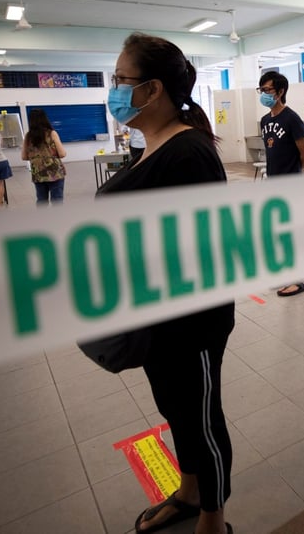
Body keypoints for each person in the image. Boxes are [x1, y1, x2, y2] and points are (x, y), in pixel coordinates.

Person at [97, 33, 234, 534]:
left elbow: (205, 247)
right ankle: (190, 491)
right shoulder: (152, 144)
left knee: (201, 417)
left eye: (120, 80)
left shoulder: (190, 152)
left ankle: (213, 520)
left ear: (152, 89)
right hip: (156, 315)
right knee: (175, 409)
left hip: (191, 322)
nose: (114, 89)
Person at [258, 70, 304, 297]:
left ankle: (298, 279)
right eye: (261, 90)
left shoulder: (292, 119)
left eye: (268, 90)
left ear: (280, 92)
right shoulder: (265, 120)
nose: (264, 94)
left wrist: (291, 174)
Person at [21, 108, 68, 205]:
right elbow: (62, 154)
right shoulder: (52, 133)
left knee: (41, 201)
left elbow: (24, 157)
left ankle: (42, 220)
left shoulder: (28, 136)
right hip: (55, 173)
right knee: (57, 201)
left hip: (38, 174)